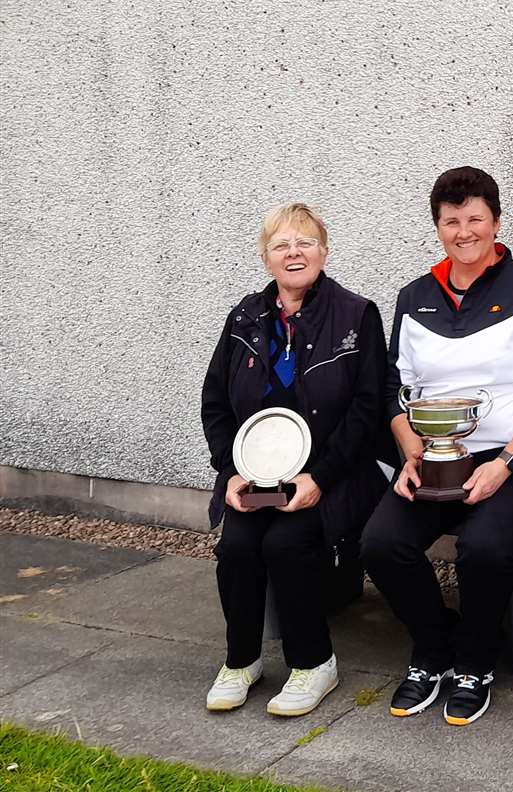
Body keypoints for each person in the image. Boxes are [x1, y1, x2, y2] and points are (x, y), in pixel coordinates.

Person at [361, 166, 513, 727]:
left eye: (475, 218)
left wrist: (505, 463)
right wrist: (410, 451)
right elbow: (393, 386)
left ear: (495, 222)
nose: (464, 231)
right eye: (451, 221)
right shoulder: (414, 297)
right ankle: (433, 649)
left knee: (484, 547)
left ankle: (476, 663)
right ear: (438, 227)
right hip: (435, 458)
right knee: (380, 543)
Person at [201, 203, 388, 717]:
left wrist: (319, 478)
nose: (294, 252)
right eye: (281, 244)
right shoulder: (243, 318)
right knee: (238, 546)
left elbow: (368, 408)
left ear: (323, 253)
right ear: (266, 259)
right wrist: (230, 470)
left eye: (305, 242)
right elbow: (215, 402)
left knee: (287, 542)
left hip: (335, 475)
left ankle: (314, 663)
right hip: (254, 478)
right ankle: (241, 660)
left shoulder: (356, 315)